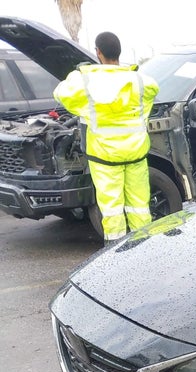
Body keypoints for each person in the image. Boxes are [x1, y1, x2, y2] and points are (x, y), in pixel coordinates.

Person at [53, 31, 160, 243]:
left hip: (104, 156)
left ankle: (115, 249)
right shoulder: (138, 80)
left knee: (111, 208)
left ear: (98, 52)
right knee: (139, 205)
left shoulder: (86, 80)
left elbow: (61, 93)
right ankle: (147, 249)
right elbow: (153, 88)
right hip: (135, 153)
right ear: (119, 51)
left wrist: (80, 72)